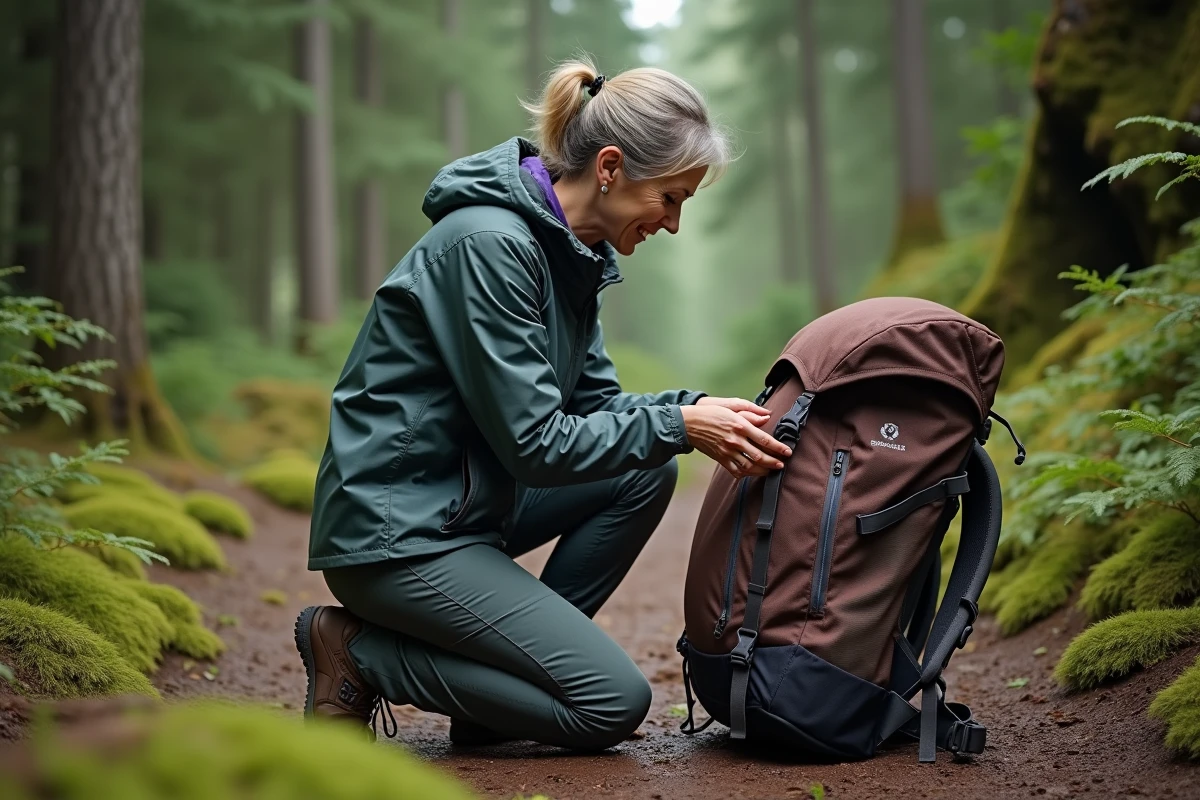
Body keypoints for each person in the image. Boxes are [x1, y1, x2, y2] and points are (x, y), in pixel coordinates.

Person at [294, 58, 793, 752]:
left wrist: (696, 407)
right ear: (612, 168)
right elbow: (538, 445)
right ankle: (354, 651)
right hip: (397, 533)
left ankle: (499, 701)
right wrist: (681, 423)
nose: (673, 224)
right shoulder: (490, 246)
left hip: (461, 505)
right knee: (608, 704)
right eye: (670, 198)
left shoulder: (571, 253)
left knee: (643, 470)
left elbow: (598, 407)